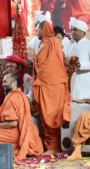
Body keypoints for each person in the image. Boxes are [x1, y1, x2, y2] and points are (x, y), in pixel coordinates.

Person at [0, 73, 43, 161]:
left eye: (5, 82)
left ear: (13, 83)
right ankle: (13, 149)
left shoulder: (15, 97)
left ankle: (6, 153)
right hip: (21, 131)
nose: (3, 84)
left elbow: (14, 123)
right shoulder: (15, 95)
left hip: (16, 131)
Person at [32, 20, 71, 155]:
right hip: (47, 85)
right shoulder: (45, 43)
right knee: (46, 116)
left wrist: (35, 60)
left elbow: (46, 66)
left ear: (43, 30)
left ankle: (54, 147)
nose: (36, 32)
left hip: (52, 86)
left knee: (52, 116)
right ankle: (52, 147)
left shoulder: (51, 42)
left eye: (37, 30)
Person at [0, 54, 33, 130]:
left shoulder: (26, 78)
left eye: (11, 66)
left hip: (18, 108)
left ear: (19, 67)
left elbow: (32, 92)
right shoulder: (6, 78)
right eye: (7, 67)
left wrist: (23, 99)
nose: (8, 69)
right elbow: (0, 98)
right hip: (5, 107)